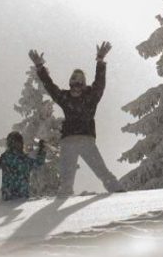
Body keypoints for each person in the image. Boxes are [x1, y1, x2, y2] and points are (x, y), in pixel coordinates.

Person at [28, 41, 124, 195]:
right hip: (69, 141)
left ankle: (120, 195)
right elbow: (50, 86)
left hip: (86, 140)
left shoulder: (91, 97)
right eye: (73, 80)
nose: (76, 83)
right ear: (70, 83)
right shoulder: (65, 97)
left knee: (102, 172)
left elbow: (100, 84)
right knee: (66, 181)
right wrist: (40, 68)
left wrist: (100, 61)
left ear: (83, 84)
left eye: (79, 81)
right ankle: (58, 213)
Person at [0, 131, 46, 201]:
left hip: (12, 197)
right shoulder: (21, 159)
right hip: (18, 197)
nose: (17, 145)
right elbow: (38, 163)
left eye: (18, 142)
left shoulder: (10, 158)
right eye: (15, 143)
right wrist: (42, 150)